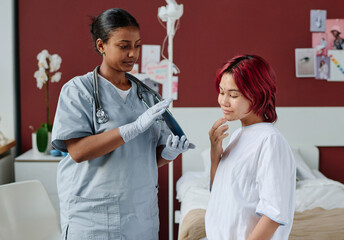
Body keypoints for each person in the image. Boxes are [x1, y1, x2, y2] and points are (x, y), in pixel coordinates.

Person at [51, 8, 192, 240]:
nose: (133, 53)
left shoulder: (147, 94)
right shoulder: (78, 90)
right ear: (101, 45)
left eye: (137, 45)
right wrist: (132, 128)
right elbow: (77, 151)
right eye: (124, 46)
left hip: (140, 215)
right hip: (93, 218)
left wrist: (169, 153)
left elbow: (145, 158)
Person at [205, 55, 296, 240]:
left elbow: (274, 213)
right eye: (221, 92)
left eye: (233, 95)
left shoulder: (270, 140)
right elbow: (220, 192)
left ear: (256, 94)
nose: (224, 101)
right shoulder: (239, 135)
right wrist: (215, 154)